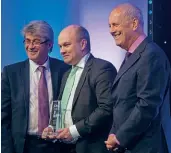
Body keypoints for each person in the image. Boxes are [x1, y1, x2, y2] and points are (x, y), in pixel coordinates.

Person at [105, 3, 171, 153]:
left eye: (115, 25)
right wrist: (114, 133)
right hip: (130, 145)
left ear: (134, 24)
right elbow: (122, 103)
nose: (111, 31)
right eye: (109, 26)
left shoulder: (151, 55)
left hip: (146, 146)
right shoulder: (131, 56)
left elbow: (147, 105)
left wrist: (120, 137)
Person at [42, 25, 117, 153]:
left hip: (91, 147)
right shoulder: (66, 74)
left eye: (66, 45)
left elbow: (106, 108)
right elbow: (60, 107)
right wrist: (52, 127)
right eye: (60, 46)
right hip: (65, 147)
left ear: (82, 44)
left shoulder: (102, 68)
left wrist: (74, 131)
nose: (62, 51)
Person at [1, 20, 69, 153]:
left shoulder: (64, 69)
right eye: (27, 41)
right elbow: (4, 117)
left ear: (49, 45)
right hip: (24, 145)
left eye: (36, 41)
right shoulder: (11, 73)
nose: (30, 46)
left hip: (58, 145)